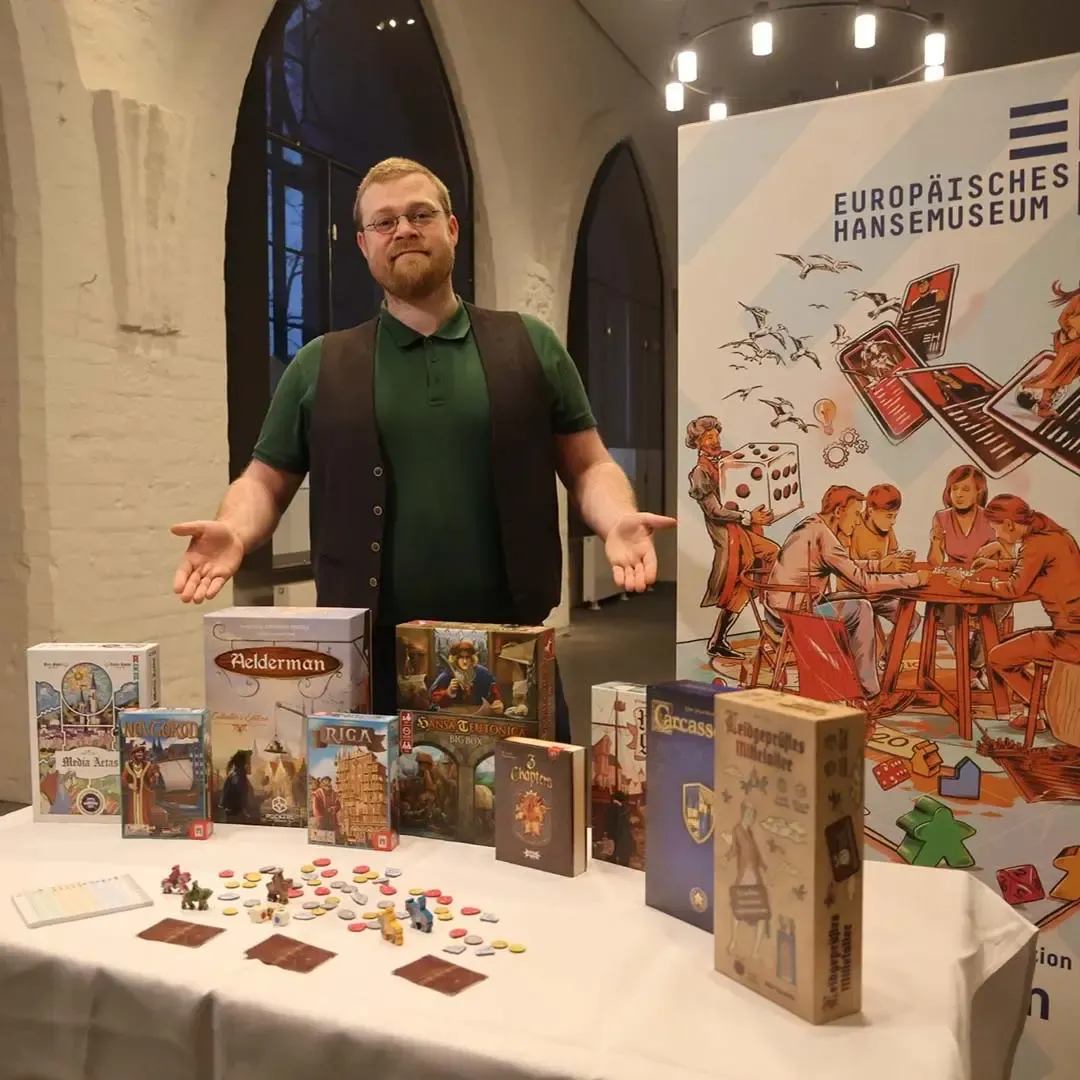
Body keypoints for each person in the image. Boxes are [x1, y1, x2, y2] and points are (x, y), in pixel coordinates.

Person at [170, 157, 674, 742]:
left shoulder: (529, 345)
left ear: (452, 229)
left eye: (420, 215)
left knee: (524, 803)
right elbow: (264, 480)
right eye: (384, 222)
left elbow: (589, 464)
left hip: (508, 653)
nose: (404, 230)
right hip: (367, 660)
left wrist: (616, 518)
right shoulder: (319, 364)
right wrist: (235, 530)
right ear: (363, 245)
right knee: (378, 805)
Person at [767, 485, 928, 717]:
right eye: (854, 514)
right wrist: (914, 579)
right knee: (861, 607)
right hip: (794, 618)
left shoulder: (813, 525)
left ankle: (860, 683)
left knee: (859, 601)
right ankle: (871, 696)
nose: (856, 521)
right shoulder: (825, 536)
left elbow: (845, 565)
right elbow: (864, 582)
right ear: (839, 511)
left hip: (785, 608)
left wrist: (881, 565)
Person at [946, 494, 1080, 730]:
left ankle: (1045, 709)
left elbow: (1013, 588)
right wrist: (997, 564)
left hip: (1072, 638)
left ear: (1008, 524)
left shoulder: (1036, 544)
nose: (996, 535)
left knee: (1000, 656)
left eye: (996, 528)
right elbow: (1030, 567)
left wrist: (965, 584)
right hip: (1072, 630)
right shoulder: (1054, 535)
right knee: (1011, 643)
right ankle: (1039, 709)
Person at [686, 415, 778, 660]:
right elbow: (715, 511)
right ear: (697, 442)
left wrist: (761, 511)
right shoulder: (699, 473)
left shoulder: (729, 459)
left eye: (716, 435)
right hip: (728, 534)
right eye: (708, 437)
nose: (714, 440)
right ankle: (769, 624)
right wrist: (748, 516)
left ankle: (723, 638)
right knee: (746, 573)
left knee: (761, 565)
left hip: (743, 530)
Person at [927, 464, 1011, 688]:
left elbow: (1008, 559)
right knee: (950, 616)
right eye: (954, 489)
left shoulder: (990, 518)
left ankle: (973, 666)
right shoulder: (941, 517)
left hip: (984, 584)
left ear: (978, 492)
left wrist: (997, 547)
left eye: (965, 489)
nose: (959, 495)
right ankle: (973, 670)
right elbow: (935, 562)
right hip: (954, 584)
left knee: (998, 609)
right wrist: (935, 542)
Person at [844, 482, 921, 659]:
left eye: (895, 516)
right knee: (864, 633)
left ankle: (887, 660)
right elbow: (845, 566)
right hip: (855, 596)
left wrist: (901, 558)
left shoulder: (887, 529)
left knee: (912, 619)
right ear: (871, 511)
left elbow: (892, 555)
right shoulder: (853, 526)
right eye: (889, 516)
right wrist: (876, 563)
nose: (893, 521)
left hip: (880, 596)